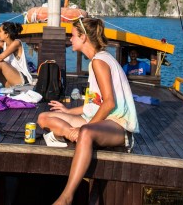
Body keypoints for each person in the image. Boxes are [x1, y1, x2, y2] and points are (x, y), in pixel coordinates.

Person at [37, 17, 138, 205]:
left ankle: (66, 197)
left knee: (86, 131)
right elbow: (94, 105)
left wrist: (85, 127)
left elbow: (108, 103)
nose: (70, 40)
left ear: (83, 38)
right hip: (100, 119)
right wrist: (67, 111)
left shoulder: (100, 62)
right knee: (44, 117)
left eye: (73, 36)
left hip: (118, 125)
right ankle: (72, 134)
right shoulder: (97, 60)